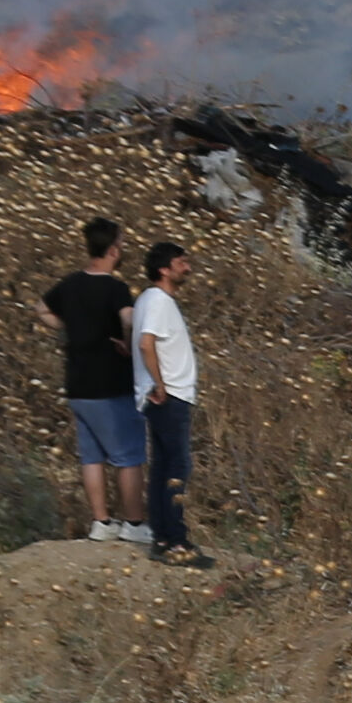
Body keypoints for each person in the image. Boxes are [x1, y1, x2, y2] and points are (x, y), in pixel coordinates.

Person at [38, 216, 140, 542]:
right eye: (122, 244)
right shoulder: (115, 288)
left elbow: (40, 309)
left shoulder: (69, 285)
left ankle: (101, 522)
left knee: (91, 456)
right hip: (110, 384)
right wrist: (126, 341)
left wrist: (67, 327)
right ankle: (135, 525)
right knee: (129, 456)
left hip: (78, 384)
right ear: (112, 249)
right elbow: (129, 318)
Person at [128, 240, 213, 570]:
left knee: (164, 466)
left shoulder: (151, 301)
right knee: (177, 468)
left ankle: (163, 538)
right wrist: (160, 385)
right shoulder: (159, 301)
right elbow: (146, 343)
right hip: (169, 395)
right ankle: (176, 541)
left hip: (165, 394)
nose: (187, 267)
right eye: (181, 261)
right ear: (164, 269)